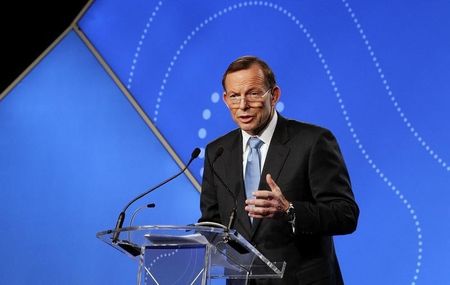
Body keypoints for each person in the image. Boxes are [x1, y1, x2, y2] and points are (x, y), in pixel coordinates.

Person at [199, 56, 359, 284]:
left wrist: (290, 211)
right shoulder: (218, 151)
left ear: (273, 95)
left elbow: (346, 214)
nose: (243, 105)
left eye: (253, 94)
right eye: (235, 96)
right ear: (225, 99)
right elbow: (212, 223)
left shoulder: (312, 142)